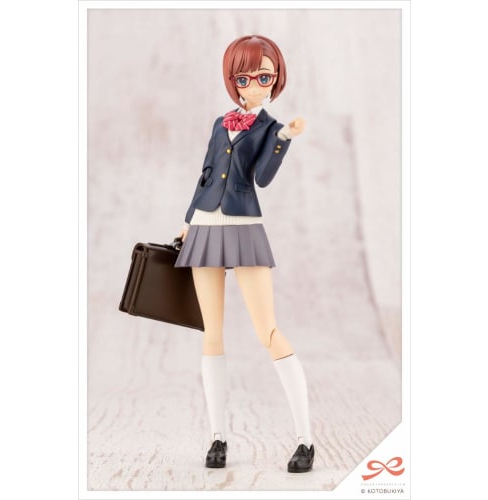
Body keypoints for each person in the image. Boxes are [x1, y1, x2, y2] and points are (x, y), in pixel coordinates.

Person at [175, 35, 314, 473]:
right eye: (244, 78)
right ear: (233, 81)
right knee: (211, 333)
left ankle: (305, 439)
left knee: (267, 330)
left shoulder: (270, 128)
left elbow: (264, 177)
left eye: (264, 77)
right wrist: (188, 219)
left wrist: (285, 137)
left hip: (243, 224)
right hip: (204, 224)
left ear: (277, 79)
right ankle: (217, 437)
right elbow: (205, 173)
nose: (253, 85)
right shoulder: (221, 123)